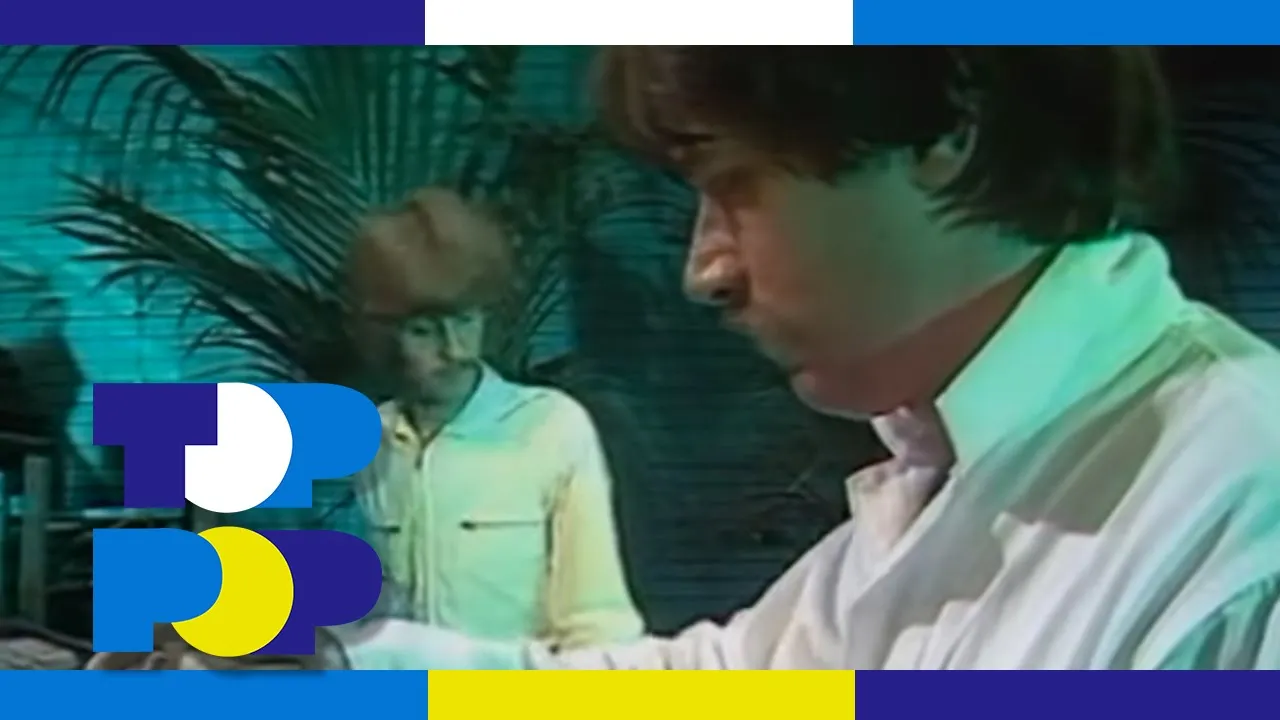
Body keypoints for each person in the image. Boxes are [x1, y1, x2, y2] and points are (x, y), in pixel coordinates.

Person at [349, 48, 1278, 669]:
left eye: (734, 184)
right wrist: (341, 664)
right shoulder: (933, 489)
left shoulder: (1240, 508)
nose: (705, 272)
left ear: (944, 125)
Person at [337, 187, 643, 649]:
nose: (456, 350)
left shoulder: (551, 428)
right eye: (424, 330)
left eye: (465, 321)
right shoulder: (364, 443)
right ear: (381, 335)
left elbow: (598, 626)